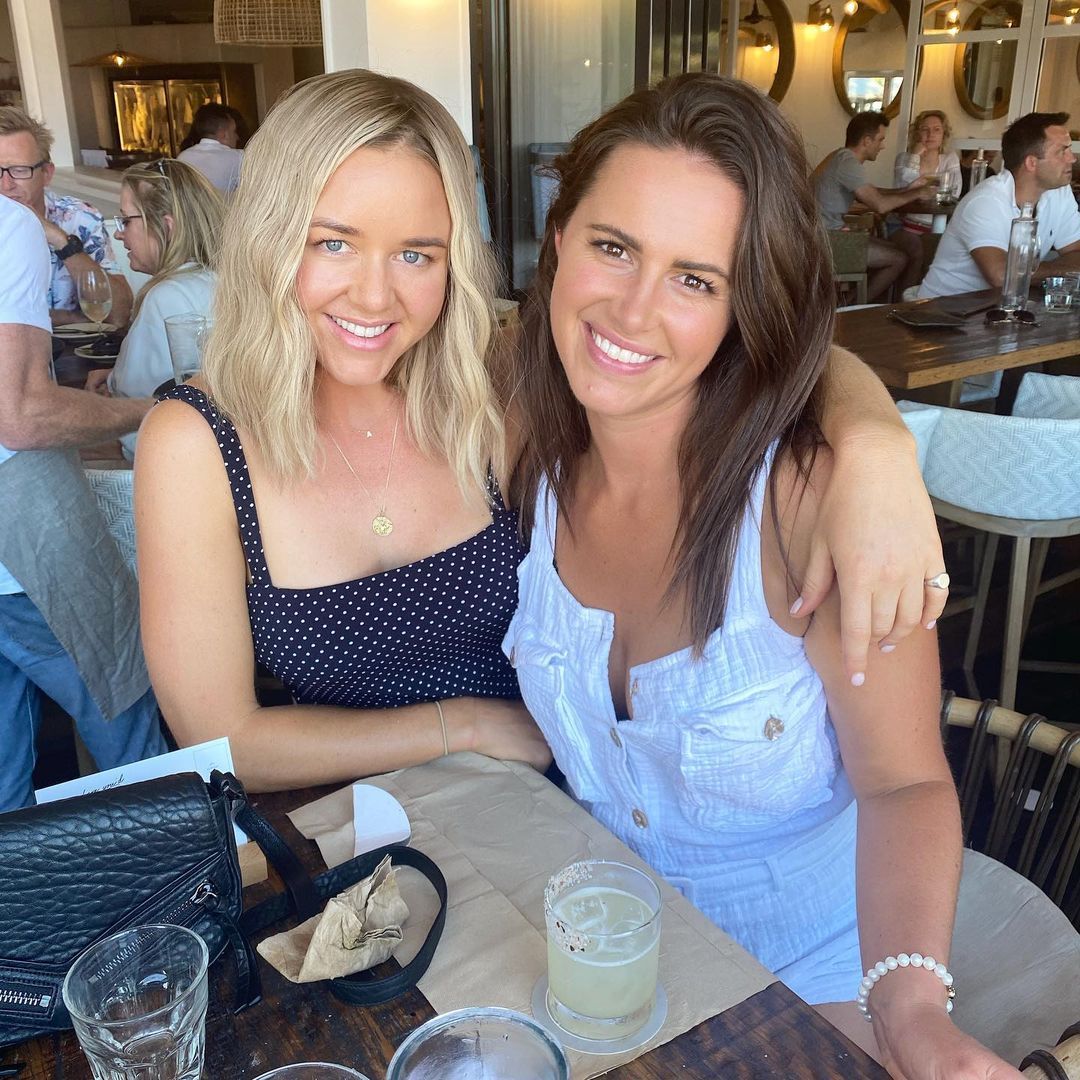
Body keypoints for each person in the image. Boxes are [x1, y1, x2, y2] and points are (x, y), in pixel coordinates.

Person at [134, 70, 945, 796]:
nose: (375, 297)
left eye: (416, 255)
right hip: (361, 837)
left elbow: (750, 350)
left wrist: (877, 447)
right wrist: (465, 726)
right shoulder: (198, 442)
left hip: (564, 817)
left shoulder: (489, 386)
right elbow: (220, 740)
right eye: (334, 243)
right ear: (270, 238)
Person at [504, 73, 1019, 1079]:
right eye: (614, 247)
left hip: (807, 987)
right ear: (559, 238)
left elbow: (906, 782)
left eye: (696, 280)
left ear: (744, 305)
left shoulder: (807, 504)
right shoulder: (523, 432)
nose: (633, 310)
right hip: (599, 968)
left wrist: (912, 1012)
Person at [0, 193, 166, 812]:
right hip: (21, 534)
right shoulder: (9, 225)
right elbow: (21, 415)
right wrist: (154, 409)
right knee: (125, 719)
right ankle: (174, 864)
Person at [86, 158, 222, 459]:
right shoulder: (224, 280)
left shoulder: (167, 297)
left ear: (166, 226)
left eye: (126, 221)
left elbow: (149, 413)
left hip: (171, 457)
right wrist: (114, 376)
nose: (119, 234)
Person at [920, 112, 1080, 298]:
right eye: (1062, 151)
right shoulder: (986, 201)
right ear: (1031, 163)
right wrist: (1062, 270)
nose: (1072, 158)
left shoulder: (1059, 192)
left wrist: (1051, 271)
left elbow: (1076, 250)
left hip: (1002, 307)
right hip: (941, 309)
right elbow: (1001, 275)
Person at [0, 107, 133, 328]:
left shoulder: (79, 218)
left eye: (20, 170)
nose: (6, 185)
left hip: (79, 350)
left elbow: (118, 314)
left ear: (47, 174)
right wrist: (72, 318)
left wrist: (59, 239)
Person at [814, 111, 928, 299]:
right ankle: (854, 308)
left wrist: (907, 189)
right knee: (899, 259)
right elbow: (880, 205)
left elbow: (871, 192)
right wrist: (917, 193)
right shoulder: (848, 163)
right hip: (827, 241)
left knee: (894, 247)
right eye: (880, 139)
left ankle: (855, 302)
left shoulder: (840, 157)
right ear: (867, 141)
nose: (882, 146)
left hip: (824, 234)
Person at [892, 110, 962, 288]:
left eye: (936, 130)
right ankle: (906, 298)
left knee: (942, 253)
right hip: (905, 226)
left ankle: (929, 296)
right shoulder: (904, 158)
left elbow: (954, 191)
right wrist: (915, 157)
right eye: (925, 129)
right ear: (917, 133)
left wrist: (920, 189)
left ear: (944, 134)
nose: (930, 134)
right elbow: (904, 187)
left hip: (939, 226)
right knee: (918, 251)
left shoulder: (949, 159)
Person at [177, 103, 245, 194]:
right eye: (234, 131)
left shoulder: (182, 158)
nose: (237, 137)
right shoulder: (239, 158)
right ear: (223, 134)